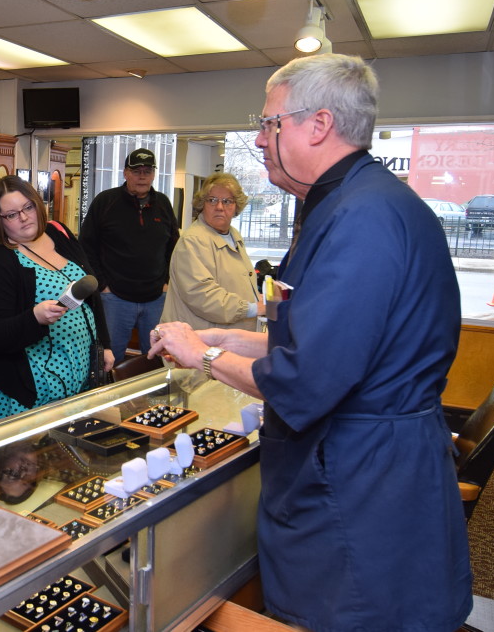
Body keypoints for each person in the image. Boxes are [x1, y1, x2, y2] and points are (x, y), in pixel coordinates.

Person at [148, 54, 471, 631]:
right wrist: (228, 336)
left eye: (270, 123)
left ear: (317, 125)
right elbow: (310, 332)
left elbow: (306, 377)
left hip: (361, 478)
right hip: (365, 460)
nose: (260, 138)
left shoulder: (362, 218)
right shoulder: (351, 202)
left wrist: (206, 356)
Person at [0, 176, 113, 425]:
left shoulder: (58, 232)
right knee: (23, 460)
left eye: (28, 207)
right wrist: (35, 318)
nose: (23, 218)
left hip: (77, 369)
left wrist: (104, 344)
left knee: (66, 453)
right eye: (11, 214)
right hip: (26, 383)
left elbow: (90, 296)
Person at [80, 148, 178, 363]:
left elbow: (174, 247)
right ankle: (108, 397)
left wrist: (167, 282)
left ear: (153, 174)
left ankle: (153, 398)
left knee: (156, 358)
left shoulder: (162, 204)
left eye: (147, 170)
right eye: (136, 170)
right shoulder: (106, 202)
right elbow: (86, 247)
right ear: (125, 173)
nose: (142, 176)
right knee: (109, 359)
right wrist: (102, 285)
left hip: (156, 299)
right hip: (115, 298)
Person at [161, 173, 263, 331]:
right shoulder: (193, 241)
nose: (220, 207)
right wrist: (252, 308)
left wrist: (257, 299)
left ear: (236, 206)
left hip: (228, 337)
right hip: (199, 341)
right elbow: (204, 297)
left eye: (227, 201)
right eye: (213, 200)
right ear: (202, 204)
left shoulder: (233, 235)